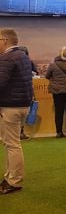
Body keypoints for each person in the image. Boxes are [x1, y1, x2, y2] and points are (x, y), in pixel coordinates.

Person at [0, 28, 34, 195]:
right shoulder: (23, 56)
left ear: (4, 41)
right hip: (22, 106)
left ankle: (14, 181)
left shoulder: (6, 58)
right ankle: (9, 177)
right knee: (11, 144)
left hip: (10, 107)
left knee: (12, 145)